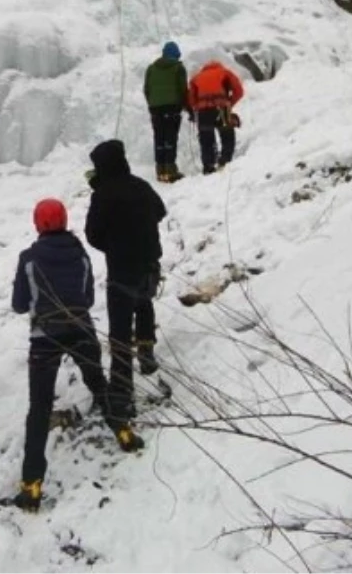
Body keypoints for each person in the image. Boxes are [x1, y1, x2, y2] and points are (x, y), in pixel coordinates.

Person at [8, 199, 143, 512]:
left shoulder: (28, 259)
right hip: (81, 329)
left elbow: (18, 303)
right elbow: (87, 295)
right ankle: (123, 431)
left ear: (37, 224)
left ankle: (32, 485)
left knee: (39, 408)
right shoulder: (80, 254)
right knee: (98, 383)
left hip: (45, 337)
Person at [85, 139, 167, 416]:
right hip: (148, 261)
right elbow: (160, 210)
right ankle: (146, 352)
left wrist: (114, 243)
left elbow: (92, 234)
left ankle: (122, 394)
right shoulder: (141, 186)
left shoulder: (103, 194)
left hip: (121, 268)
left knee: (120, 331)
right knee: (144, 303)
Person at [143, 40, 190, 183]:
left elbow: (147, 89)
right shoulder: (178, 68)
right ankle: (170, 170)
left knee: (159, 138)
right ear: (176, 54)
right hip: (172, 107)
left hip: (155, 109)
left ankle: (160, 170)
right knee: (170, 137)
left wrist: (152, 104)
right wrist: (186, 107)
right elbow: (183, 90)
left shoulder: (151, 68)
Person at [187, 60, 245, 174]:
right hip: (221, 108)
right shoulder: (225, 72)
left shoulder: (196, 78)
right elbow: (239, 91)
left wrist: (197, 107)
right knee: (227, 135)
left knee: (206, 139)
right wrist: (229, 103)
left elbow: (191, 99)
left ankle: (208, 166)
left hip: (203, 111)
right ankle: (225, 161)